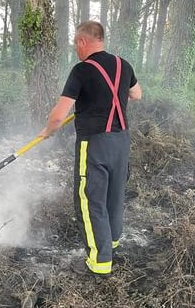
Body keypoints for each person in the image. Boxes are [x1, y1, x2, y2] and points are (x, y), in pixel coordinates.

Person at [39, 21, 142, 276]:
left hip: (94, 144)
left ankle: (100, 261)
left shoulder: (81, 70)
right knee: (114, 195)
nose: (76, 49)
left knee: (90, 200)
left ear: (83, 41)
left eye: (76, 44)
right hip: (121, 142)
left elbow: (58, 115)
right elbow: (136, 94)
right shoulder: (123, 64)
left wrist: (48, 131)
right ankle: (112, 242)